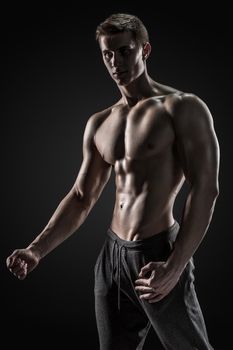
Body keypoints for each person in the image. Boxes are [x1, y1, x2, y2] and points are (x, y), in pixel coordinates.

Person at [6, 13, 219, 350]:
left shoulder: (182, 108)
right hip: (111, 257)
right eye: (107, 53)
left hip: (158, 252)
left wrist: (176, 265)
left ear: (144, 50)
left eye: (124, 51)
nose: (115, 61)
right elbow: (81, 196)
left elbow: (206, 189)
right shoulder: (100, 122)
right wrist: (36, 249)